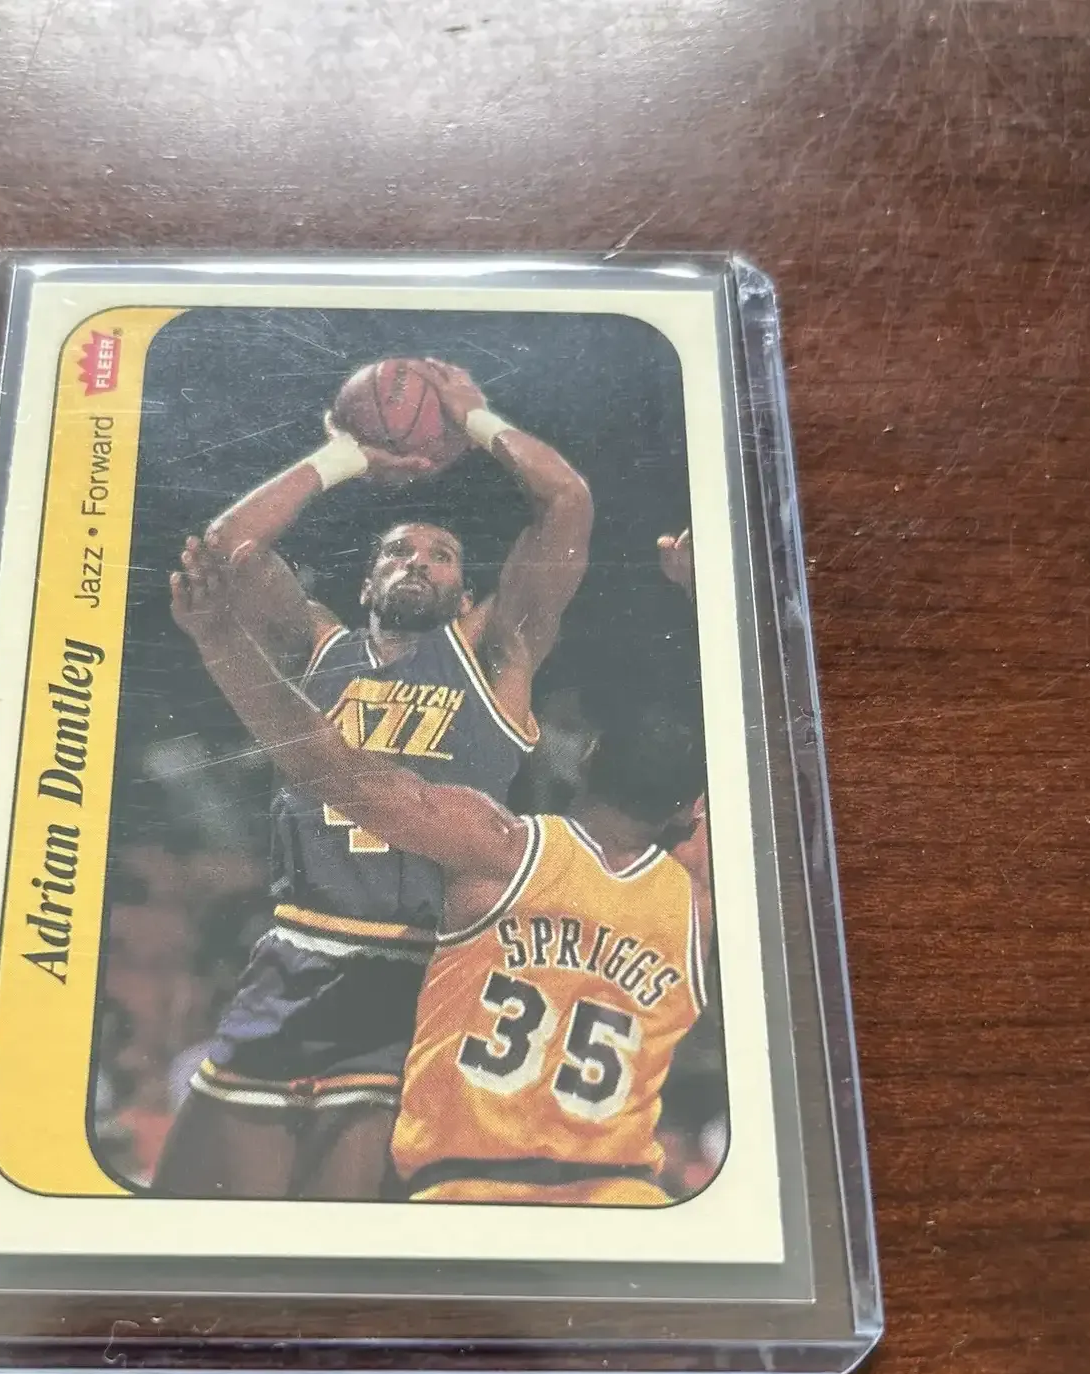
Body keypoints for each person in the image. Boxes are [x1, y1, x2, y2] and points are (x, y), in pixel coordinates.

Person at [151, 361, 594, 1199]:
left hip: (419, 969)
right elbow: (226, 554)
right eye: (397, 551)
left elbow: (567, 501)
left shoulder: (495, 654)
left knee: (341, 1224)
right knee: (190, 1210)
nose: (417, 562)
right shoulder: (318, 647)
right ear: (366, 583)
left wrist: (474, 418)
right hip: (292, 953)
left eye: (441, 555)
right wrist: (344, 456)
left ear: (465, 591)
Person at [169, 536, 713, 1206]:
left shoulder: (501, 850)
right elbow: (754, 763)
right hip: (627, 1205)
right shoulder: (697, 899)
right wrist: (706, 604)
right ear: (692, 810)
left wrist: (221, 641)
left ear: (587, 757)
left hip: (473, 1197)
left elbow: (327, 766)